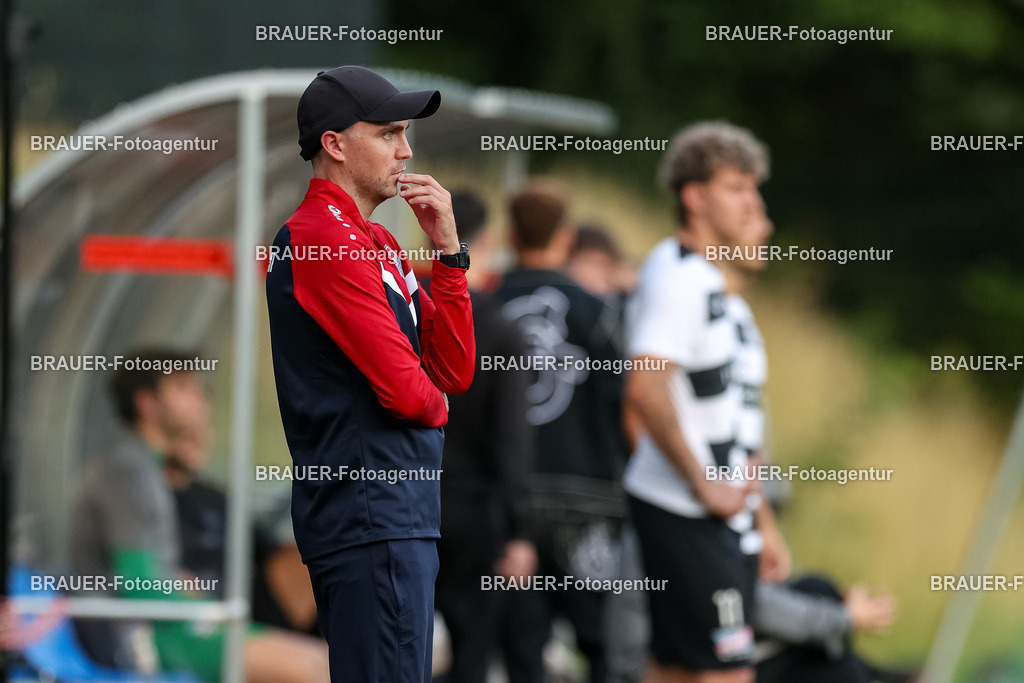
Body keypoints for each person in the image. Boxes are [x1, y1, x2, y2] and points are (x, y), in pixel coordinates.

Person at [265, 65, 475, 682]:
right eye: (388, 133)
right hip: (369, 514)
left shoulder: (375, 241)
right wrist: (433, 397)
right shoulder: (318, 240)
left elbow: (454, 370)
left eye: (405, 133)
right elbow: (415, 396)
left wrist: (449, 254)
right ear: (334, 144)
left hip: (397, 512)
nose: (406, 151)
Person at [622, 121, 790, 683]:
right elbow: (645, 385)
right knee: (729, 671)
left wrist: (761, 522)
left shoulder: (721, 294)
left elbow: (740, 427)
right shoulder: (678, 277)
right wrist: (702, 483)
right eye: (738, 188)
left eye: (754, 189)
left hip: (719, 517)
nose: (754, 204)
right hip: (685, 508)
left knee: (673, 669)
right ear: (694, 197)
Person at [70, 348, 330, 682]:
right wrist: (199, 601)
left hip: (167, 629)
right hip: (137, 640)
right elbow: (142, 590)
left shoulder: (139, 465)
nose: (199, 397)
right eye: (182, 388)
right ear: (147, 404)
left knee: (326, 663)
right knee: (319, 669)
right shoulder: (128, 471)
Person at [494, 180, 630, 683]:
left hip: (511, 505)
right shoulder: (600, 314)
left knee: (523, 645)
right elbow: (624, 406)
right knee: (601, 640)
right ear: (568, 237)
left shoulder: (481, 306)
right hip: (589, 499)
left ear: (510, 234)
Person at [431, 190, 537, 683]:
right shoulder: (500, 329)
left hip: (411, 500)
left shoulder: (409, 310)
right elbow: (512, 439)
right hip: (476, 515)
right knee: (472, 651)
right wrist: (520, 530)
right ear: (488, 241)